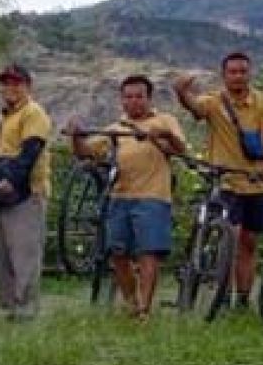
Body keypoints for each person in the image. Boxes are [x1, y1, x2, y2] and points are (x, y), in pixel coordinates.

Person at [66, 75, 186, 319]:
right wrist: (76, 137)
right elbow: (88, 154)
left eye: (139, 96)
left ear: (149, 98)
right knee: (118, 253)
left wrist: (160, 135)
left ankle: (144, 310)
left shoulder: (165, 121)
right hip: (120, 196)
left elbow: (180, 148)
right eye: (128, 97)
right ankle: (132, 302)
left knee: (148, 252)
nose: (134, 102)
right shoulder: (115, 129)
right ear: (122, 101)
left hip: (153, 197)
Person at [173, 52, 263, 308]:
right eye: (233, 72)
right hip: (227, 182)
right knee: (230, 237)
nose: (238, 76)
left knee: (249, 243)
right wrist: (181, 91)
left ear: (249, 73)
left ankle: (242, 299)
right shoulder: (213, 102)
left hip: (256, 182)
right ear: (224, 75)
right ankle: (222, 293)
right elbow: (193, 107)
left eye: (243, 71)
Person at [0, 63, 53, 320]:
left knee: (24, 255)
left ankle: (25, 312)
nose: (10, 88)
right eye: (5, 83)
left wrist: (12, 181)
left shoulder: (33, 113)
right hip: (0, 194)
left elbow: (30, 152)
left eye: (16, 83)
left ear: (27, 86)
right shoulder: (2, 119)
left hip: (26, 193)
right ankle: (9, 310)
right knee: (0, 253)